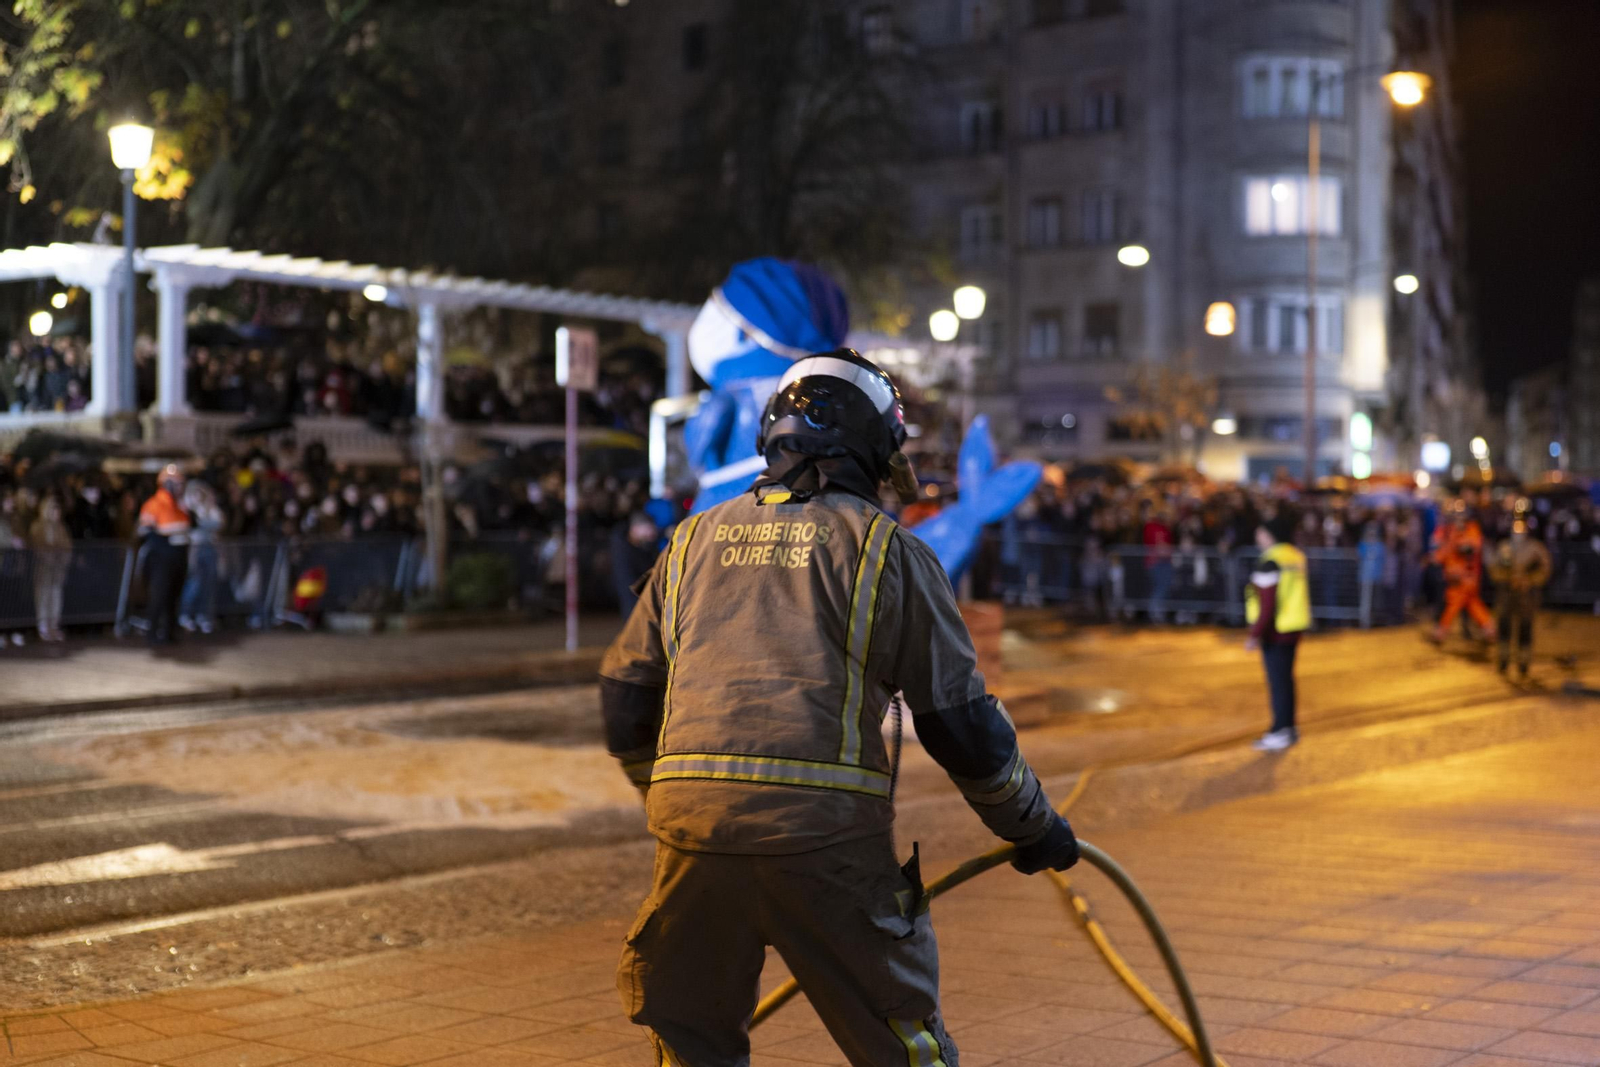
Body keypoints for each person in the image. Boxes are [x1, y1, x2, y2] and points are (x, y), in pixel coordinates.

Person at [599, 349, 1077, 1067]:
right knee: (902, 1046)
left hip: (693, 841)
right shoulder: (887, 551)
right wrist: (1035, 826)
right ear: (875, 448)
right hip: (825, 847)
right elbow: (960, 725)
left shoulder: (690, 542)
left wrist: (684, 800)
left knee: (690, 1044)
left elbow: (625, 700)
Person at [1245, 516, 1310, 751]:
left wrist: (1255, 634)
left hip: (1275, 630)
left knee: (1278, 683)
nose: (1257, 537)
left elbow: (1267, 603)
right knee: (1286, 680)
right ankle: (1288, 728)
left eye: (1260, 532)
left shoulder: (1270, 560)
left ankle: (1280, 729)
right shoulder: (1295, 555)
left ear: (1269, 534)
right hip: (1293, 626)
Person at [1489, 512, 1552, 679]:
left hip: (1527, 596)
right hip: (1507, 594)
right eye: (1516, 527)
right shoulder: (1504, 547)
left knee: (1525, 628)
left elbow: (1544, 569)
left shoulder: (1535, 548)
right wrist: (1508, 578)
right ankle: (1503, 659)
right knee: (1504, 627)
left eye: (1521, 527)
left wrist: (1529, 580)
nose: (1518, 531)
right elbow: (1495, 569)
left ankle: (1523, 662)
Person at [137, 464, 193, 646]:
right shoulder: (153, 504)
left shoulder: (181, 505)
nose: (180, 487)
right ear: (166, 483)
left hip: (178, 556)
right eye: (177, 484)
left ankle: (169, 631)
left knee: (173, 597)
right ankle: (153, 633)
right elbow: (146, 531)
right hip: (160, 558)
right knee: (158, 596)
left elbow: (188, 526)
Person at [1431, 499, 1492, 643]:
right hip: (1454, 574)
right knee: (1471, 603)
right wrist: (1437, 556)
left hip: (1468, 576)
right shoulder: (1450, 530)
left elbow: (1471, 548)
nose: (1459, 519)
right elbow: (1443, 550)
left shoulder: (1471, 529)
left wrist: (1459, 542)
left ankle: (1441, 631)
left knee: (1455, 603)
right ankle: (1489, 628)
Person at [27, 494, 72, 641]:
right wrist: (50, 556)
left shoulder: (61, 528)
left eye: (57, 509)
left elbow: (67, 546)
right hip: (43, 569)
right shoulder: (38, 526)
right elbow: (37, 546)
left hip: (57, 570)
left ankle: (54, 625)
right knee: (43, 596)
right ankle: (43, 627)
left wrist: (60, 558)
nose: (56, 513)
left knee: (56, 597)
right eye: (53, 509)